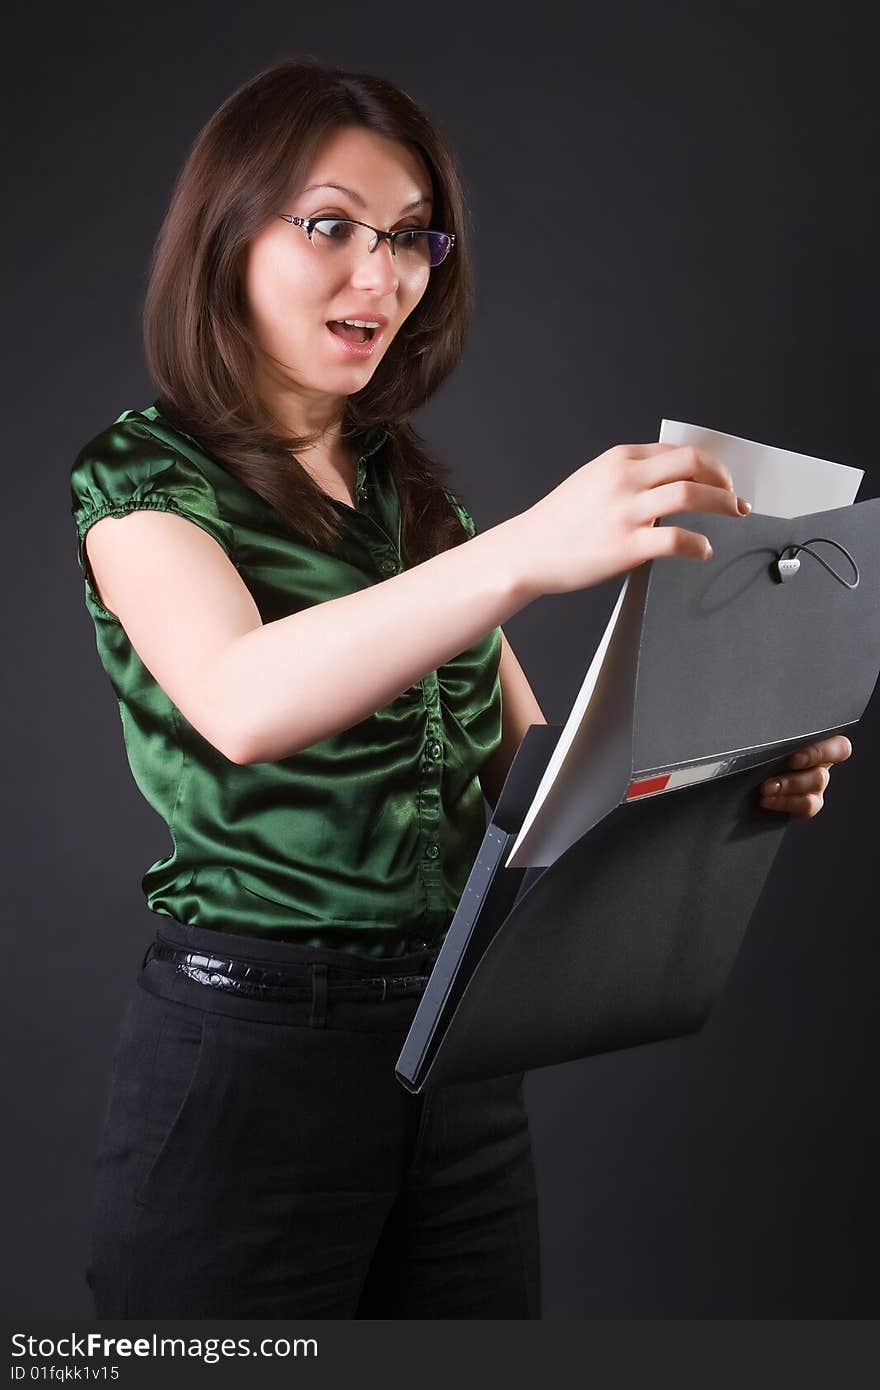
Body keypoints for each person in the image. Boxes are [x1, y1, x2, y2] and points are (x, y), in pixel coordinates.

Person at [70, 55, 852, 1320]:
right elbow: (239, 699)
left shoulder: (413, 496)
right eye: (330, 225)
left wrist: (727, 766)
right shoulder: (138, 476)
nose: (380, 277)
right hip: (250, 1066)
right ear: (226, 240)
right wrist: (525, 554)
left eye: (409, 238)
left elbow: (538, 791)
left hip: (456, 1057)